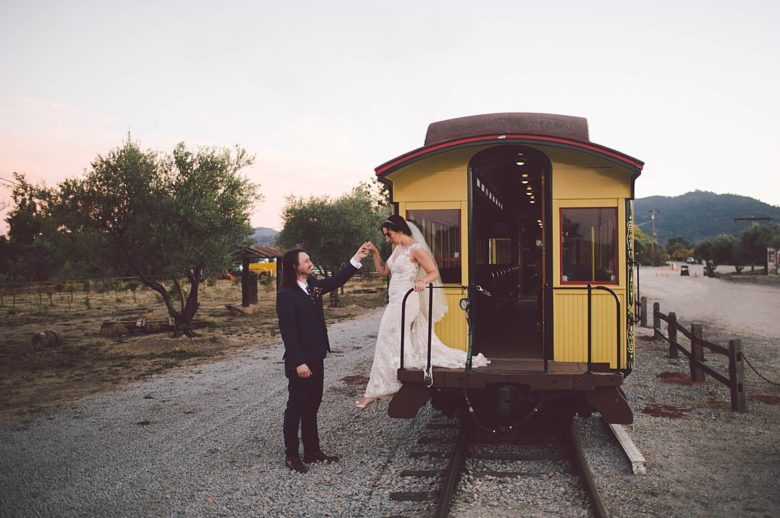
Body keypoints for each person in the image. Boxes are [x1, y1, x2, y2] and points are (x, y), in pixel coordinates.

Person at [356, 215, 489, 409]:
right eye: (385, 236)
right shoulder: (397, 249)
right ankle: (389, 379)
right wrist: (376, 253)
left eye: (389, 234)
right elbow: (384, 271)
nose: (387, 239)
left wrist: (422, 282)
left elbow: (433, 272)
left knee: (387, 336)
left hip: (408, 300)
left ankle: (377, 389)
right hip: (395, 301)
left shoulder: (415, 249)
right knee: (391, 336)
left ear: (400, 230)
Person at [277, 244, 370, 473]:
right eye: (306, 261)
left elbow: (337, 280)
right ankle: (291, 454)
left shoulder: (313, 285)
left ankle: (312, 451)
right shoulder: (286, 295)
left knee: (313, 405)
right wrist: (299, 362)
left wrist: (356, 257)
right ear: (295, 267)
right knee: (296, 407)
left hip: (317, 356)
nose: (311, 263)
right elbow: (288, 332)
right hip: (301, 362)